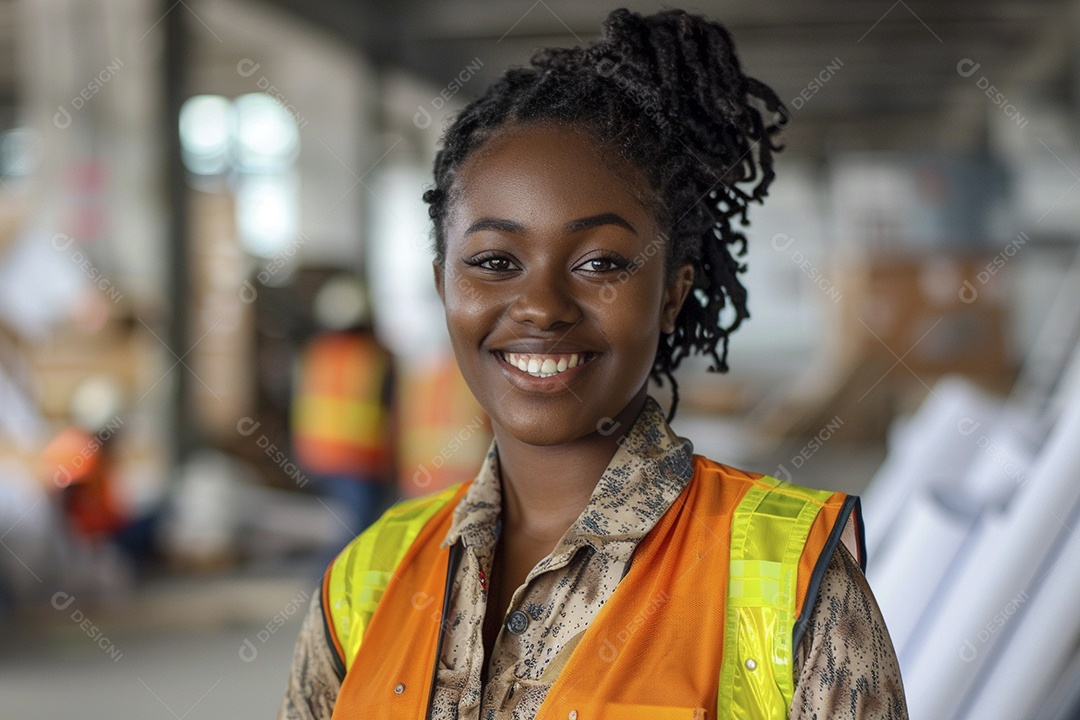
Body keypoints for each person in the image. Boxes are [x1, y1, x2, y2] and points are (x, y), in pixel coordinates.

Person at [280, 8, 908, 719]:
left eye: (601, 262)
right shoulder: (365, 579)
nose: (541, 307)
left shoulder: (789, 575)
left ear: (673, 293)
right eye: (493, 261)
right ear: (441, 285)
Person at [291, 275, 395, 542]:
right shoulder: (374, 356)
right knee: (356, 537)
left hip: (315, 458)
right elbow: (393, 412)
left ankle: (326, 580)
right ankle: (327, 582)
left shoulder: (316, 352)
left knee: (342, 533)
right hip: (358, 461)